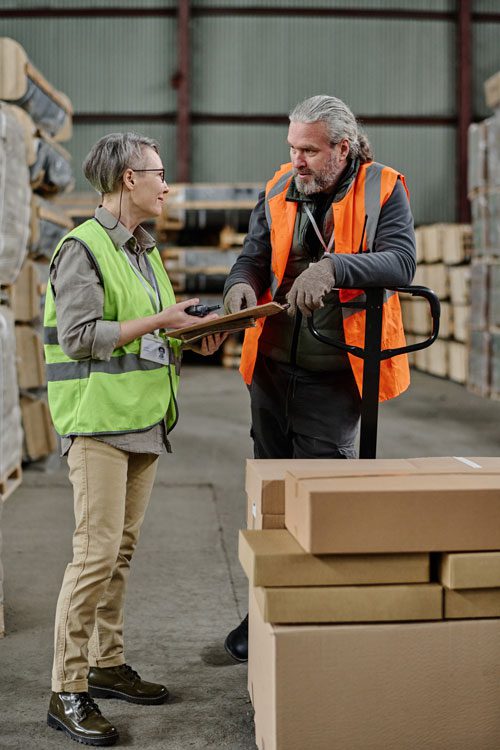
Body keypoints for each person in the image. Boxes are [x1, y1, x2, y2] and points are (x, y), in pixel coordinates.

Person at [44, 132, 225, 746]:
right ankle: (67, 689)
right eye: (158, 173)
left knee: (118, 554)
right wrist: (163, 321)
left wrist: (192, 336)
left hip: (143, 422)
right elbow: (80, 335)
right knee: (93, 558)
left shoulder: (145, 252)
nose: (166, 183)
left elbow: (148, 336)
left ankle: (107, 662)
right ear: (128, 179)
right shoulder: (83, 248)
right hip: (97, 422)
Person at [222, 95, 416, 662]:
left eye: (308, 150)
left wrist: (334, 267)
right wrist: (239, 285)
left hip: (336, 373)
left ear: (342, 149)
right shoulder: (282, 186)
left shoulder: (384, 188)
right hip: (273, 368)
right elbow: (254, 257)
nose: (297, 159)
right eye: (293, 148)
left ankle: (316, 606)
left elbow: (401, 263)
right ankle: (263, 607)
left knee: (323, 497)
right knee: (269, 497)